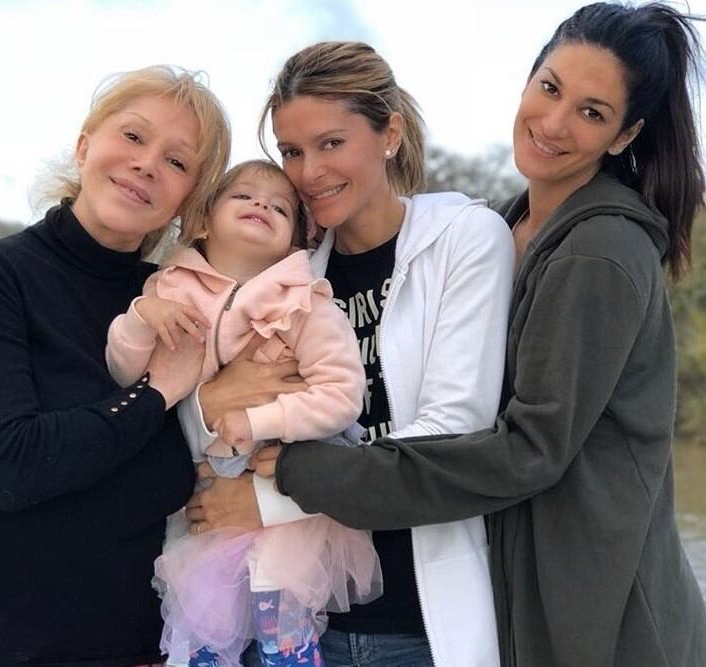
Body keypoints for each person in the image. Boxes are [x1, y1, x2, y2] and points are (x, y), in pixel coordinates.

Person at [251, 3, 706, 666]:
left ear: (622, 135)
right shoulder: (509, 226)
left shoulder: (598, 250)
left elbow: (528, 448)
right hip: (519, 590)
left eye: (590, 112)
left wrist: (302, 475)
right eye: (549, 89)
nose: (551, 123)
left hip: (599, 611)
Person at [180, 42, 515, 666]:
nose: (307, 173)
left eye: (330, 143)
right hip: (287, 619)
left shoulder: (465, 240)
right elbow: (207, 407)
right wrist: (206, 408)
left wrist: (264, 500)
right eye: (292, 151)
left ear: (390, 133)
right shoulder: (288, 274)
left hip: (418, 624)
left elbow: (451, 435)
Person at [0, 65, 231, 666]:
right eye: (132, 136)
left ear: (189, 198)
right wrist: (154, 395)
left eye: (177, 162)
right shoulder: (3, 276)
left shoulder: (187, 308)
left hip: (153, 648)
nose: (148, 163)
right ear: (83, 145)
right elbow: (11, 465)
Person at [105, 159, 381, 667]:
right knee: (201, 626)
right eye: (244, 197)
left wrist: (259, 421)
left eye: (279, 207)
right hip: (204, 496)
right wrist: (142, 318)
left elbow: (343, 394)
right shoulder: (168, 290)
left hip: (287, 493)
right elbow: (127, 376)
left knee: (283, 632)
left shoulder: (307, 305)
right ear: (205, 221)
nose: (261, 206)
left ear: (296, 244)